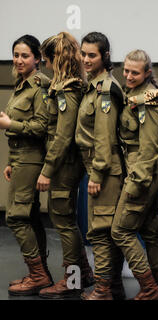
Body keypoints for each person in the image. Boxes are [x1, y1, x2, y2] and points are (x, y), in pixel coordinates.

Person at [35, 32, 95, 299]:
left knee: (64, 221)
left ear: (55, 59)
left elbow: (63, 134)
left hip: (64, 165)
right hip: (64, 163)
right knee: (64, 219)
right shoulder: (68, 85)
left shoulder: (67, 89)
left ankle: (72, 282)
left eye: (47, 60)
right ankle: (83, 272)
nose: (46, 66)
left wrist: (47, 170)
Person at [111, 49, 158, 300]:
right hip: (135, 164)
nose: (129, 76)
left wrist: (137, 181)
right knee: (149, 231)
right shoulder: (129, 94)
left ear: (147, 73)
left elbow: (149, 146)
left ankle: (149, 289)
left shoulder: (148, 100)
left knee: (120, 231)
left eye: (135, 72)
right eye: (126, 71)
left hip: (143, 168)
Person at [74, 31, 126, 300]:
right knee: (103, 230)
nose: (85, 59)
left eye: (91, 55)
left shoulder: (105, 89)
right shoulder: (93, 85)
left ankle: (104, 289)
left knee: (101, 231)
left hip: (104, 171)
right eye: (83, 54)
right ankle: (113, 286)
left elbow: (105, 138)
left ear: (105, 56)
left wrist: (97, 173)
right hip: (97, 167)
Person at [0, 35, 52, 296]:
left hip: (32, 157)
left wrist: (11, 126)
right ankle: (39, 272)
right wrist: (10, 161)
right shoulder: (22, 84)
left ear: (37, 58)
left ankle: (38, 275)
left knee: (16, 216)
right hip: (20, 157)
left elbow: (41, 127)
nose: (19, 60)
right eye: (16, 55)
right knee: (29, 216)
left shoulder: (40, 85)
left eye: (25, 56)